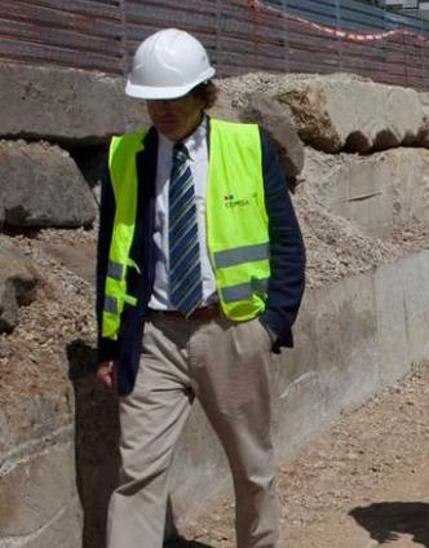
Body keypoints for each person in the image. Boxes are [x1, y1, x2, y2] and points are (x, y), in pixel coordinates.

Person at [95, 28, 305, 547]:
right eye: (152, 101)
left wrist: (270, 325)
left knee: (252, 469)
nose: (162, 111)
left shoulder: (247, 146)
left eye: (174, 98)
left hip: (230, 330)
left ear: (203, 92)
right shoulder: (126, 156)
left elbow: (287, 244)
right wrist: (109, 344)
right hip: (153, 337)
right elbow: (111, 255)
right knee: (137, 475)